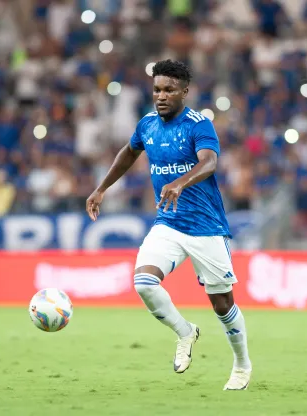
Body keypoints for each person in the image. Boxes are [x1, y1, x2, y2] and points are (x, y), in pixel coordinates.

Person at [85, 59, 252, 390]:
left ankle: (242, 365)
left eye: (169, 90)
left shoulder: (198, 124)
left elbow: (210, 162)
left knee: (223, 304)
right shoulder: (147, 124)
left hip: (206, 227)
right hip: (169, 225)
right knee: (145, 282)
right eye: (157, 89)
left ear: (184, 92)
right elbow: (129, 153)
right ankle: (185, 331)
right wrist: (102, 188)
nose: (161, 96)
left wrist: (180, 183)